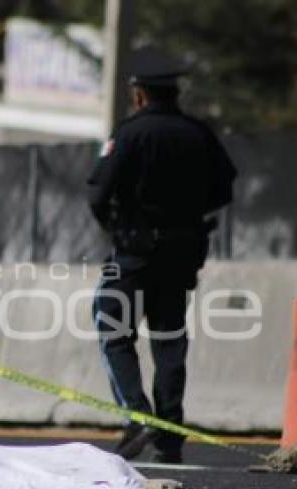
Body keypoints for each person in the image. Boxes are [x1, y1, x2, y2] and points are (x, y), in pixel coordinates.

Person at [87, 47, 236, 463]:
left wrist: (118, 228)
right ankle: (170, 433)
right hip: (182, 254)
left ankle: (138, 417)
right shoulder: (198, 133)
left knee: (113, 331)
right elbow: (224, 189)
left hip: (135, 252)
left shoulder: (131, 133)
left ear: (139, 94)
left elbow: (98, 192)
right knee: (170, 340)